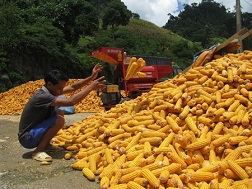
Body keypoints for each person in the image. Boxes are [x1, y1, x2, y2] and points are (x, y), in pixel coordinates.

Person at [18, 63, 105, 162]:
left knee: (59, 112)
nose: (61, 91)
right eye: (60, 88)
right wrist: (90, 87)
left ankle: (46, 145)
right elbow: (71, 101)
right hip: (27, 138)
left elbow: (72, 87)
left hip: (34, 133)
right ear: (50, 84)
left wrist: (91, 77)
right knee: (59, 120)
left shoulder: (51, 91)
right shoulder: (42, 96)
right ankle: (38, 151)